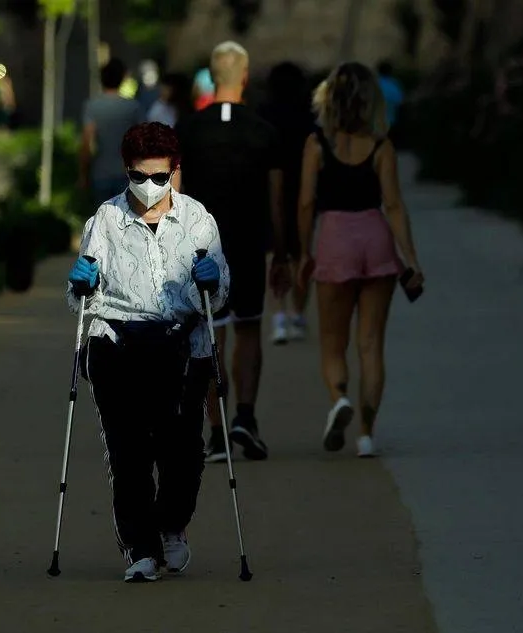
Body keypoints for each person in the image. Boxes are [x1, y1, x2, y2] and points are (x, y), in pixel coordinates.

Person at [66, 122, 230, 583]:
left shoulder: (199, 220)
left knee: (183, 451)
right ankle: (140, 548)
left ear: (174, 172)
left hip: (183, 346)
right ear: (127, 172)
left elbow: (218, 299)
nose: (149, 187)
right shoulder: (105, 221)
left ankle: (171, 526)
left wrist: (211, 282)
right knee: (128, 451)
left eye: (160, 177)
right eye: (140, 177)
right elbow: (80, 297)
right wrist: (81, 283)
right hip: (117, 343)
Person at [296, 62, 424, 458]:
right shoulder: (381, 146)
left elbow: (305, 202)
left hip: (335, 241)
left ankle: (339, 399)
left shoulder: (316, 144)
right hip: (376, 240)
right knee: (371, 345)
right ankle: (367, 434)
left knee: (333, 343)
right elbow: (394, 205)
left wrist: (304, 252)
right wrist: (411, 259)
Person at [176, 41, 289, 464]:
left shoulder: (187, 131)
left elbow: (175, 192)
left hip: (201, 251)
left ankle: (216, 431)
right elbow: (277, 197)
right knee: (248, 329)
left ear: (211, 75)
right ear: (244, 75)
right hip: (248, 244)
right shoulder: (263, 132)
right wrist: (282, 250)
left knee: (209, 336)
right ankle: (246, 416)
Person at [258, 61, 317, 344]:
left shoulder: (263, 115)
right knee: (302, 253)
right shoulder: (309, 117)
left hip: (271, 191)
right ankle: (298, 313)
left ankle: (279, 315)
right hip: (304, 187)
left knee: (275, 252)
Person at [79, 58, 145, 208]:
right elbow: (142, 142)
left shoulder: (92, 106)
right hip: (127, 174)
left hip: (100, 172)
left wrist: (83, 174)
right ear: (122, 78)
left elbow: (86, 143)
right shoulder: (133, 107)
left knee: (103, 223)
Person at [377, 60, 404, 129]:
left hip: (376, 122)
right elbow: (400, 102)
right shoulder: (394, 85)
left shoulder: (374, 84)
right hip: (391, 122)